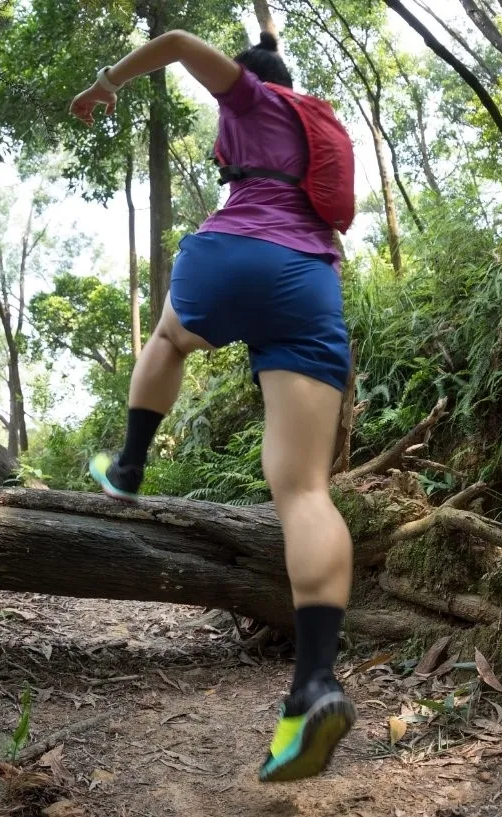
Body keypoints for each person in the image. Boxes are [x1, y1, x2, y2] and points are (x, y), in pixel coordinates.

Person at [70, 30, 356, 783]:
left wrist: (107, 80)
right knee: (305, 489)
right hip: (312, 278)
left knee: (167, 337)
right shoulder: (315, 119)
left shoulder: (251, 94)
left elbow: (171, 42)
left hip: (239, 251)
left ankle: (129, 465)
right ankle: (316, 684)